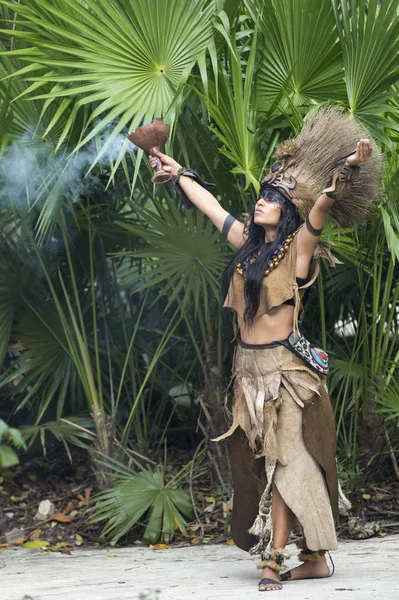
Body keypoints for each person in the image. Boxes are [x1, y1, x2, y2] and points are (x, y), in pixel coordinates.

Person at [148, 106, 381, 592]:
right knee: (265, 464)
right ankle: (315, 558)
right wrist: (176, 173)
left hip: (284, 373)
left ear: (288, 208)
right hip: (247, 374)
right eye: (261, 196)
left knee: (284, 463)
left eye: (273, 199)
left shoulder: (298, 249)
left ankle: (273, 561)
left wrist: (343, 177)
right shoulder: (247, 245)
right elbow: (211, 205)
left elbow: (318, 212)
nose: (261, 203)